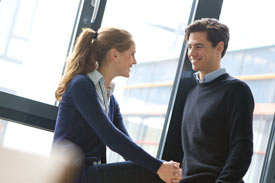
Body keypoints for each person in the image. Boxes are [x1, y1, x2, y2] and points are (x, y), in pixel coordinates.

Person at [53, 27, 182, 183]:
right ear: (114, 55)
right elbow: (110, 136)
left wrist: (162, 167)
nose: (135, 61)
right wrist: (159, 167)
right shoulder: (81, 85)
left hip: (90, 174)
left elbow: (125, 145)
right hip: (72, 174)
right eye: (132, 54)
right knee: (153, 172)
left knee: (154, 171)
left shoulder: (110, 100)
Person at [180, 18, 254, 183]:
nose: (191, 53)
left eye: (199, 46)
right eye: (189, 47)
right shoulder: (192, 93)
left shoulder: (236, 90)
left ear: (219, 47)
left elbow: (242, 148)